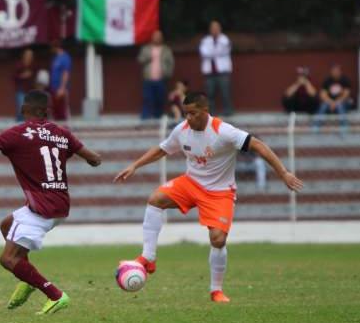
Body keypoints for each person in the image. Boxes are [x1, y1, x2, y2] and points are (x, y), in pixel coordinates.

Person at [113, 92, 303, 303]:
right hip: (191, 183)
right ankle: (148, 258)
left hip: (220, 192)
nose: (188, 118)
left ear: (205, 111)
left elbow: (259, 145)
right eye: (186, 114)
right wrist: (135, 166)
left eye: (192, 113)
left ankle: (216, 290)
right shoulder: (182, 130)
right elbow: (162, 149)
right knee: (155, 199)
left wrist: (283, 172)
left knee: (218, 240)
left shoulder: (223, 131)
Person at [0, 90, 101, 315]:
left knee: (7, 259)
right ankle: (26, 279)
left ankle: (55, 295)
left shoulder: (17, 133)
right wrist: (65, 151)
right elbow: (95, 159)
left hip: (41, 209)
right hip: (60, 206)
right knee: (6, 225)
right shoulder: (62, 133)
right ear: (47, 111)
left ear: (23, 110)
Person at [137, 30, 175, 120]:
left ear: (161, 38)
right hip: (148, 78)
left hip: (161, 79)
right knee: (147, 99)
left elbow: (171, 63)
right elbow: (140, 60)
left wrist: (168, 73)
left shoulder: (166, 49)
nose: (157, 38)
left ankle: (157, 117)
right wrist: (147, 58)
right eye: (155, 36)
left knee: (160, 99)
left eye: (159, 36)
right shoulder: (146, 49)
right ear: (152, 38)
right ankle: (145, 118)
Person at [199, 21, 233, 116]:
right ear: (210, 30)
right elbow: (204, 53)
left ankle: (228, 112)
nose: (214, 30)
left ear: (220, 29)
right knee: (209, 93)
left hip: (222, 71)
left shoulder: (224, 40)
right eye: (213, 28)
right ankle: (211, 113)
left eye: (216, 28)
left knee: (225, 92)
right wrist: (215, 52)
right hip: (209, 72)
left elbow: (224, 51)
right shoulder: (205, 40)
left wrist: (212, 52)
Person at [313, 64, 351, 131]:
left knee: (340, 107)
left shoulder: (345, 80)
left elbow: (346, 95)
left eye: (337, 71)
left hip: (341, 102)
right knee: (322, 106)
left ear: (340, 71)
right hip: (329, 102)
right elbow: (323, 95)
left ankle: (344, 128)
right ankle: (316, 126)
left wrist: (336, 103)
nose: (335, 72)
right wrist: (331, 102)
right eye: (334, 71)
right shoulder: (327, 81)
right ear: (331, 72)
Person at [49, 40, 72, 122]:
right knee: (55, 110)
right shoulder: (56, 58)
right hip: (54, 87)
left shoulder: (65, 57)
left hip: (60, 88)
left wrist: (62, 88)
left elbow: (65, 73)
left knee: (63, 110)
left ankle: (65, 128)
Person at [13, 49, 36, 121]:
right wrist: (22, 76)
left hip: (31, 90)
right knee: (21, 107)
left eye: (31, 55)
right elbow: (13, 77)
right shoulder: (19, 65)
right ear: (24, 56)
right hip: (21, 89)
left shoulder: (33, 66)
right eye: (28, 55)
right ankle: (19, 124)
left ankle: (27, 126)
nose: (29, 57)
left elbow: (37, 76)